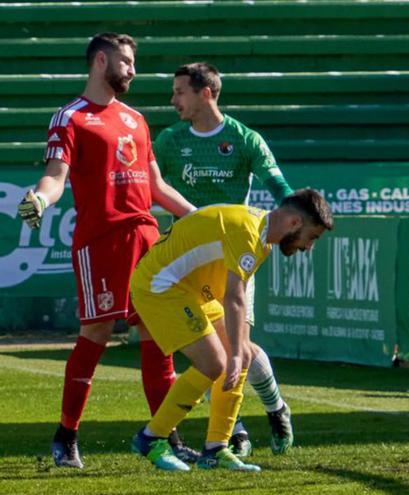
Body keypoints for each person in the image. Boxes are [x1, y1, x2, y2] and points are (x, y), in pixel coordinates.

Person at [16, 32, 198, 469]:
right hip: (100, 242)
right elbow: (56, 176)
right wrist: (40, 199)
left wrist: (199, 214)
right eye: (127, 62)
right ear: (101, 61)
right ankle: (66, 435)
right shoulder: (69, 117)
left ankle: (165, 438)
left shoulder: (136, 119)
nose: (133, 70)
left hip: (145, 238)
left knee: (159, 339)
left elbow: (155, 187)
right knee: (95, 335)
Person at [129, 190, 333, 471]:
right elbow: (234, 297)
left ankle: (216, 449)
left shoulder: (260, 237)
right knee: (215, 363)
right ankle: (151, 437)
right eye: (312, 237)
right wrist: (235, 354)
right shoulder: (249, 233)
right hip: (161, 286)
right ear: (295, 223)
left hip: (190, 292)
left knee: (243, 354)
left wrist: (240, 352)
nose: (308, 247)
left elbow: (236, 300)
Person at [153, 62, 296, 456]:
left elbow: (278, 185)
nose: (173, 100)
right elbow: (150, 183)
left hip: (234, 258)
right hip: (190, 260)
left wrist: (300, 216)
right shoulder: (168, 141)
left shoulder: (244, 139)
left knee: (240, 346)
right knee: (218, 353)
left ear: (206, 93)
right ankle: (235, 432)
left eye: (180, 91)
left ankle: (275, 409)